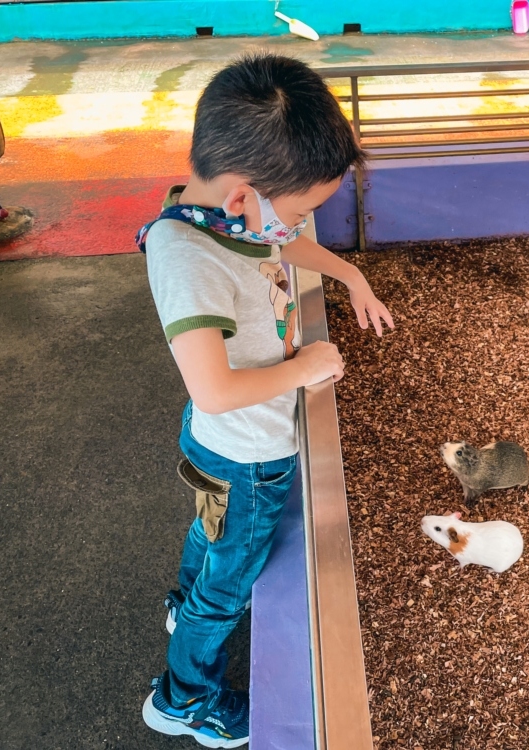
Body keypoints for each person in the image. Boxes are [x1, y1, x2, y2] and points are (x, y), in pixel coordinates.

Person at [136, 53, 393, 748]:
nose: (304, 223)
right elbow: (214, 391)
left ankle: (185, 607)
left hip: (220, 449)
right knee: (230, 579)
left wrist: (348, 274)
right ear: (245, 196)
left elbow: (281, 243)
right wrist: (306, 364)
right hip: (246, 451)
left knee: (208, 532)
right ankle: (184, 699)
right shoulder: (191, 261)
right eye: (307, 208)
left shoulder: (218, 211)